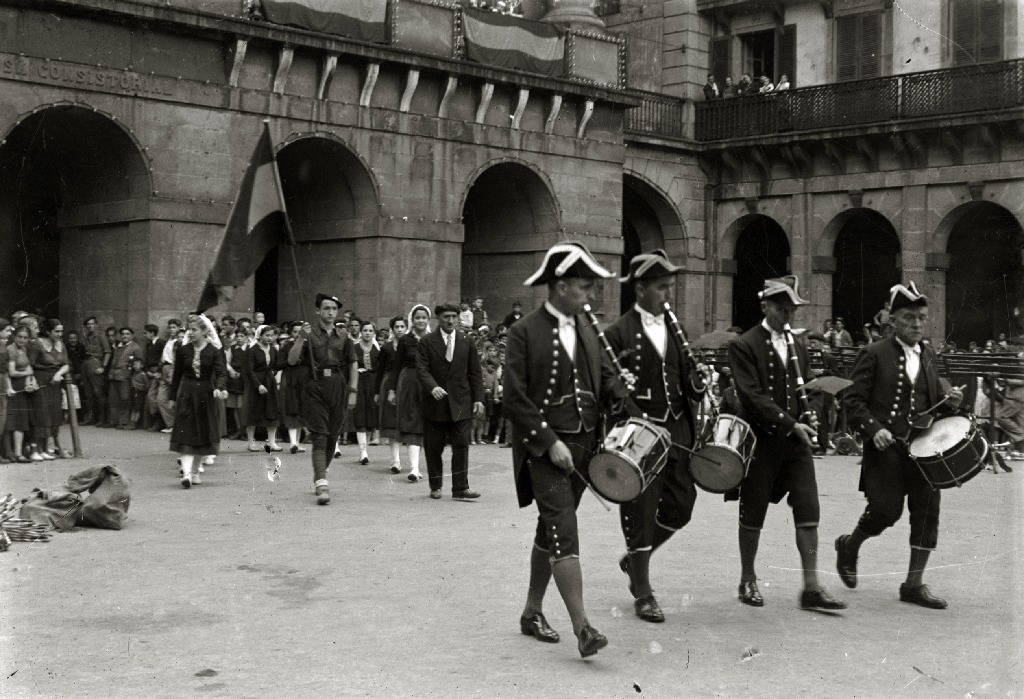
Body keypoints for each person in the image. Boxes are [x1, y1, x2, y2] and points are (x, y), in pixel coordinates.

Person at [504, 241, 630, 658]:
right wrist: (549, 441)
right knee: (563, 529)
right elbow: (515, 397)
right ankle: (584, 628)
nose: (592, 296)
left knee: (549, 530)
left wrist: (619, 388)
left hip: (585, 444)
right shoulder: (524, 331)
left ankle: (531, 612)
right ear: (559, 286)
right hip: (544, 450)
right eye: (584, 287)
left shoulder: (589, 327)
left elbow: (606, 379)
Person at [836, 282, 965, 609]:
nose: (918, 324)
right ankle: (850, 545)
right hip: (886, 447)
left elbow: (933, 400)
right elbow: (852, 399)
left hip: (923, 446)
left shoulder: (929, 354)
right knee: (885, 512)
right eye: (909, 318)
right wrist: (872, 429)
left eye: (922, 317)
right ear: (892, 320)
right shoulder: (873, 353)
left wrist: (951, 400)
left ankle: (913, 584)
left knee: (927, 513)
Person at [727, 275, 846, 611]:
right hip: (761, 441)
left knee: (809, 508)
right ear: (765, 306)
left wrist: (810, 412)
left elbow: (801, 388)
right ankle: (747, 578)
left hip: (795, 442)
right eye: (781, 309)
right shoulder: (744, 345)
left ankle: (811, 586)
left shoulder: (797, 344)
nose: (788, 317)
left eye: (791, 310)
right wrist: (791, 422)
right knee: (753, 510)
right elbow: (751, 397)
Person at [603, 250, 708, 623]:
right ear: (642, 288)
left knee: (682, 506)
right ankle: (643, 591)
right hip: (641, 432)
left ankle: (635, 561)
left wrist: (697, 385)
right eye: (662, 287)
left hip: (678, 428)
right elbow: (612, 387)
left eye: (669, 286)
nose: (668, 294)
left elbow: (683, 380)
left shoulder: (675, 328)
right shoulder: (617, 332)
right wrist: (636, 418)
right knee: (641, 511)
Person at [288, 294, 358, 506]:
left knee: (333, 435)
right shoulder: (308, 334)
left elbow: (353, 363)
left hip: (337, 385)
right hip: (315, 385)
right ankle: (322, 482)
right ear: (318, 310)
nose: (330, 312)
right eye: (326, 308)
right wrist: (300, 338)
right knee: (320, 434)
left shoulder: (343, 335)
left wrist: (353, 390)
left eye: (333, 309)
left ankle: (321, 472)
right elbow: (291, 361)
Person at [417, 303, 485, 499]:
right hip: (435, 402)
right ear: (438, 318)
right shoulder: (427, 342)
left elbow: (475, 373)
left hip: (461, 402)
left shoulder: (467, 341)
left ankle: (460, 488)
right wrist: (433, 387)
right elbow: (422, 369)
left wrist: (479, 399)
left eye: (454, 317)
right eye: (446, 316)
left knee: (462, 445)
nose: (451, 320)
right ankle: (436, 486)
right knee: (433, 447)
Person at [168, 315, 228, 488]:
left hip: (206, 395)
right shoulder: (183, 350)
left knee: (203, 434)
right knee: (185, 433)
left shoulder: (213, 351)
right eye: (189, 330)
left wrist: (219, 387)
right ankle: (186, 474)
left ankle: (195, 471)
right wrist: (172, 397)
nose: (191, 333)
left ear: (204, 331)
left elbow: (221, 372)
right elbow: (177, 375)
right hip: (186, 394)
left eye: (194, 330)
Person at [388, 305, 430, 482]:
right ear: (412, 319)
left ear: (428, 320)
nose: (420, 320)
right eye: (417, 317)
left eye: (423, 317)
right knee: (412, 422)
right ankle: (414, 468)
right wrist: (392, 390)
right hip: (410, 383)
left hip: (428, 384)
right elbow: (396, 367)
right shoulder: (405, 340)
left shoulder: (432, 339)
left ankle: (417, 466)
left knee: (425, 424)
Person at [28, 319, 71, 458]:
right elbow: (30, 364)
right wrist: (32, 379)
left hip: (55, 382)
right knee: (41, 414)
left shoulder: (61, 345)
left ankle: (47, 448)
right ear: (48, 331)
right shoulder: (37, 344)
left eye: (61, 331)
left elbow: (66, 364)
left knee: (54, 414)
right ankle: (36, 449)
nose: (60, 334)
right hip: (41, 381)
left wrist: (59, 374)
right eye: (56, 331)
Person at [245, 324, 284, 453]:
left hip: (269, 381)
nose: (269, 338)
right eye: (267, 335)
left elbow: (277, 364)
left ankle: (272, 442)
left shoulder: (273, 349)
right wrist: (258, 385)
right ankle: (251, 442)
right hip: (256, 382)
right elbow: (249, 370)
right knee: (253, 411)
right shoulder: (252, 350)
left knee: (272, 411)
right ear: (260, 335)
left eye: (272, 335)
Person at [377, 316, 406, 472]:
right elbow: (380, 370)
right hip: (389, 384)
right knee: (391, 423)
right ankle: (395, 460)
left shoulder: (412, 345)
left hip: (407, 384)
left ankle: (414, 463)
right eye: (397, 327)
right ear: (392, 329)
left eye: (402, 326)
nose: (400, 329)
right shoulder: (387, 348)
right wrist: (376, 391)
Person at [278, 321, 309, 454]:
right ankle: (292, 442)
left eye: (299, 332)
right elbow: (279, 364)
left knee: (302, 409)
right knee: (292, 409)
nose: (297, 335)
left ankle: (297, 442)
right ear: (291, 333)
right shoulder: (286, 346)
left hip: (304, 379)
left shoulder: (308, 346)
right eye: (295, 332)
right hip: (291, 379)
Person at [352, 320, 380, 465]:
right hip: (359, 383)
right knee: (360, 414)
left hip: (373, 383)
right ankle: (362, 451)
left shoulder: (377, 349)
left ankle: (365, 449)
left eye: (370, 331)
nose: (367, 333)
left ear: (373, 333)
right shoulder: (355, 348)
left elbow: (380, 367)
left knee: (371, 416)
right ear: (361, 332)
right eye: (365, 331)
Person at [108, 327, 142, 429]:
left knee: (125, 399)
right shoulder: (118, 346)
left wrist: (132, 374)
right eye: (123, 334)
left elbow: (139, 363)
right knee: (113, 399)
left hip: (125, 377)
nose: (125, 336)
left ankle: (123, 422)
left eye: (127, 334)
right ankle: (113, 420)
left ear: (132, 335)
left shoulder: (136, 347)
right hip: (114, 376)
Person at [79, 317, 110, 426]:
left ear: (96, 324)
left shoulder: (101, 336)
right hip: (86, 363)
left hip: (96, 362)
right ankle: (90, 418)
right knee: (88, 393)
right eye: (87, 324)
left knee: (98, 392)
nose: (90, 326)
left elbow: (108, 352)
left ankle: (102, 419)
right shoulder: (87, 337)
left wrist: (103, 367)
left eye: (92, 324)